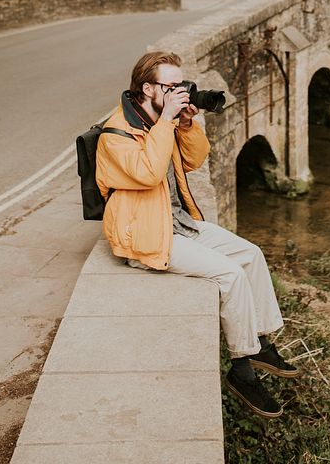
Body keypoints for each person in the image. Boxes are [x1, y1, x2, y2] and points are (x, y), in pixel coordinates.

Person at [95, 50, 299, 419]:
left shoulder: (158, 118)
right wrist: (167, 123)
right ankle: (241, 371)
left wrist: (187, 124)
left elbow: (195, 160)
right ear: (147, 88)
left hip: (174, 221)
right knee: (230, 275)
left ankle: (261, 341)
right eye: (172, 87)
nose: (181, 93)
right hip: (143, 235)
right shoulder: (116, 134)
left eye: (181, 85)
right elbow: (148, 174)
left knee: (251, 254)